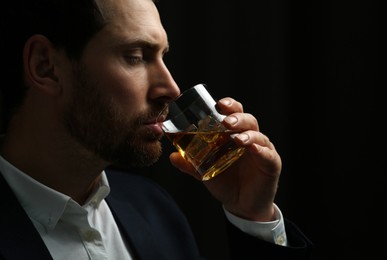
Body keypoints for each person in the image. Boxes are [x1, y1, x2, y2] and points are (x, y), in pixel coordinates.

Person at [0, 0, 312, 259]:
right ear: (45, 66)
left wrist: (253, 218)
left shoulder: (155, 210)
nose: (171, 88)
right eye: (135, 57)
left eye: (162, 56)